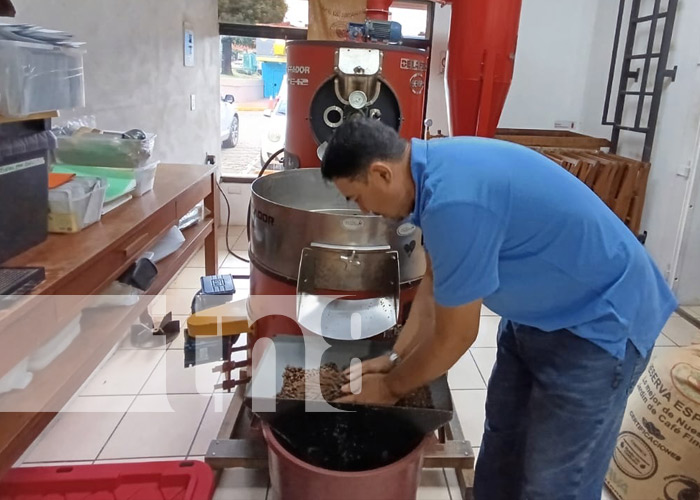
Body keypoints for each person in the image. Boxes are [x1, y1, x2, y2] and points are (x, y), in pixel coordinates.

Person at [326, 118, 677, 499]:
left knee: (554, 483)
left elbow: (456, 337)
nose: (363, 210)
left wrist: (391, 388)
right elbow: (434, 284)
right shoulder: (427, 174)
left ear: (381, 173)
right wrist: (395, 356)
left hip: (599, 324)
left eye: (356, 197)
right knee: (502, 448)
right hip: (535, 317)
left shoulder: (453, 201)